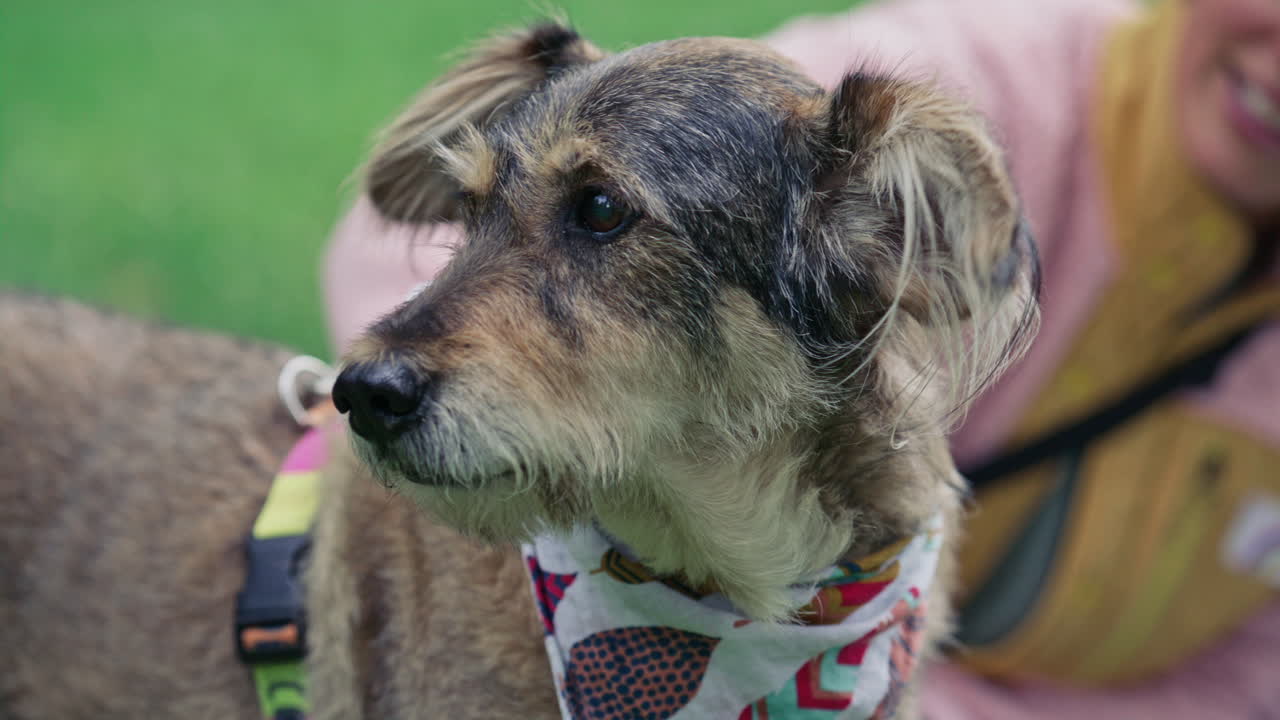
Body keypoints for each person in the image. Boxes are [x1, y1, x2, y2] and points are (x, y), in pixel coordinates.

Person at [323, 0, 1280, 716]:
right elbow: (380, 242)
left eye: (602, 214)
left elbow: (1237, 687)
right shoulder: (981, 67)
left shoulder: (880, 189)